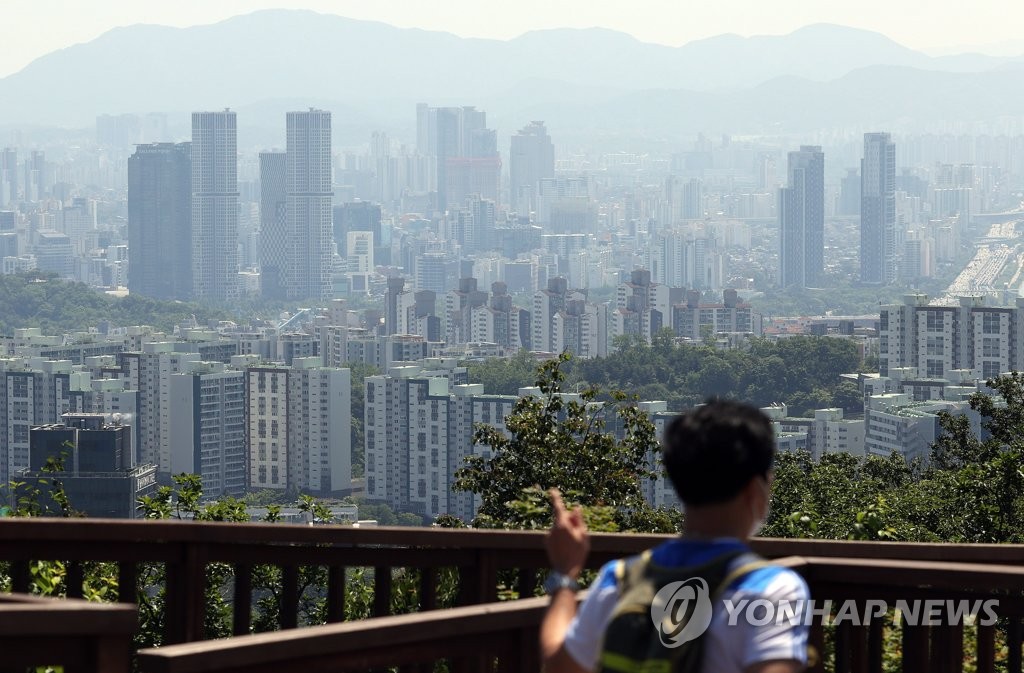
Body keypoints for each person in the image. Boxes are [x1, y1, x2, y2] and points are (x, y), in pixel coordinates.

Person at [540, 399, 809, 673]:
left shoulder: (620, 580)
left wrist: (565, 574)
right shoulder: (770, 589)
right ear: (755, 490)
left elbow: (559, 664)